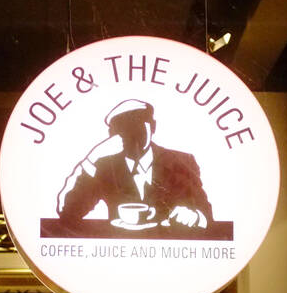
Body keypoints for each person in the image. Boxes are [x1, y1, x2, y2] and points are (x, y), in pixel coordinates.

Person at [55, 100, 214, 233]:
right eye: (122, 127)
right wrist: (92, 157)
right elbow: (67, 212)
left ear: (153, 127)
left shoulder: (180, 162)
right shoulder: (103, 167)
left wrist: (196, 217)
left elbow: (206, 215)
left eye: (137, 124)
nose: (131, 133)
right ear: (112, 134)